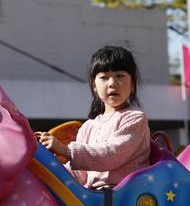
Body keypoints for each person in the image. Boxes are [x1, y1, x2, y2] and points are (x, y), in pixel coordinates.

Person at [39, 45, 151, 190]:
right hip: (94, 197)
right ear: (94, 86)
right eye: (104, 77)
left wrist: (65, 150)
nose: (112, 83)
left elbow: (110, 155)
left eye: (120, 76)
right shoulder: (88, 127)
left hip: (125, 197)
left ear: (133, 82)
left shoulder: (135, 119)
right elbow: (80, 173)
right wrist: (48, 169)